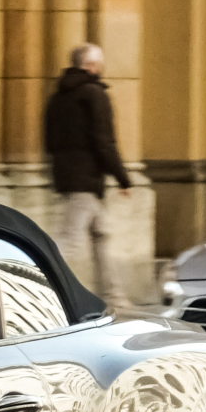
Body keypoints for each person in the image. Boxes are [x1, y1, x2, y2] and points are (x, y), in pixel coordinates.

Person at [43, 43, 132, 312]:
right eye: (99, 63)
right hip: (87, 178)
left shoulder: (58, 96)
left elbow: (50, 140)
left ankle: (114, 296)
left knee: (100, 235)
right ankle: (43, 288)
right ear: (91, 66)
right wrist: (122, 177)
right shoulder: (94, 94)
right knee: (70, 240)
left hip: (70, 175)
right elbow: (104, 140)